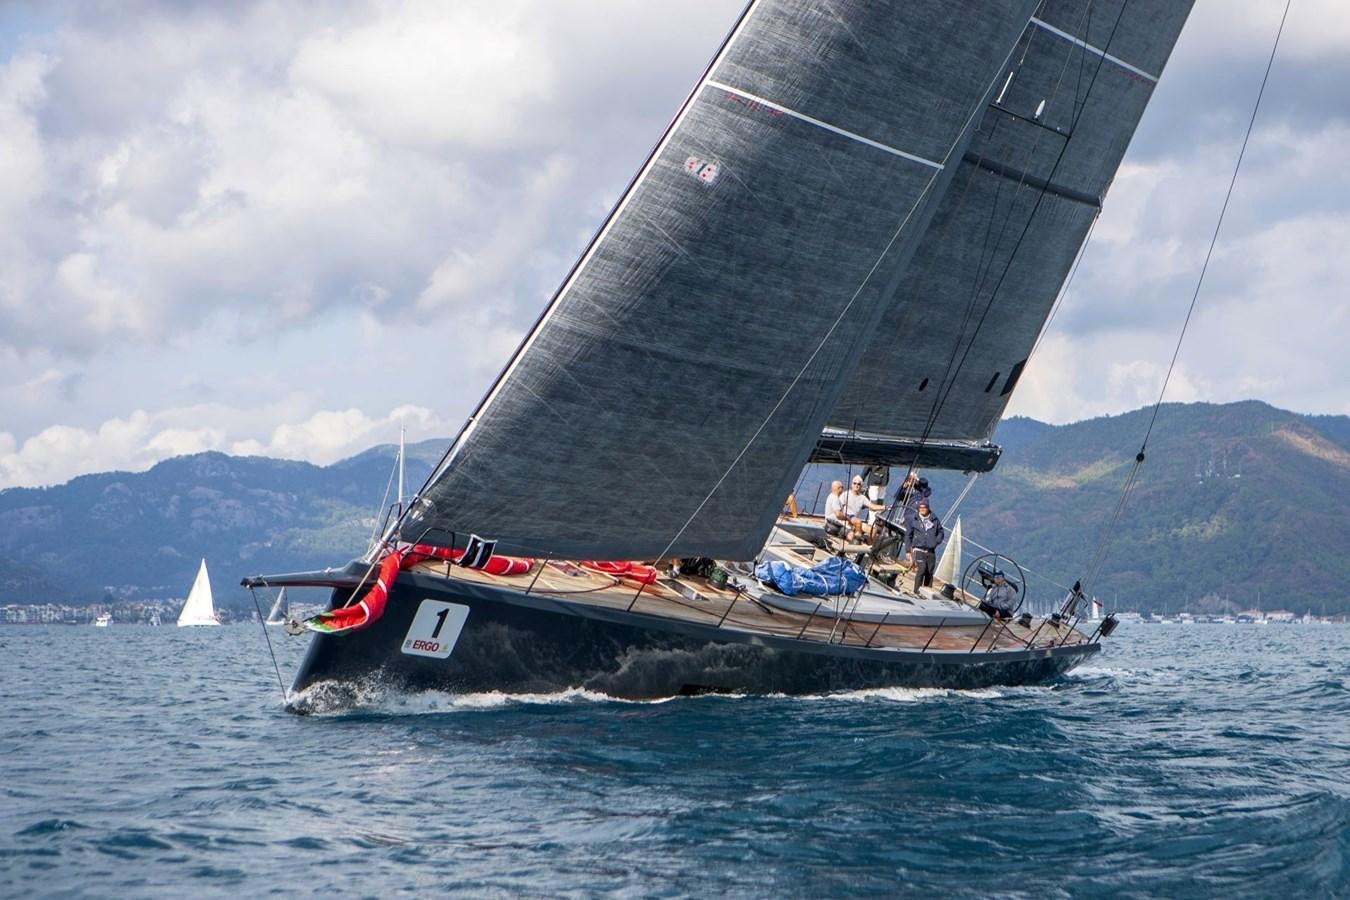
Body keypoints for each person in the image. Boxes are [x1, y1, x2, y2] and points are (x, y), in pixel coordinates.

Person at [825, 477, 883, 543]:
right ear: (852, 485)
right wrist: (846, 518)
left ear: (861, 486)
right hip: (846, 519)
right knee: (858, 522)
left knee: (873, 531)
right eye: (854, 483)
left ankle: (867, 548)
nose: (856, 485)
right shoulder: (845, 495)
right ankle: (855, 542)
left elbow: (872, 506)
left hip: (854, 519)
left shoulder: (862, 498)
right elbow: (838, 509)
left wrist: (884, 507)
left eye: (858, 484)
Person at [904, 498, 945, 592]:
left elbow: (941, 532)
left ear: (928, 508)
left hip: (930, 551)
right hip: (918, 549)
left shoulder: (934, 519)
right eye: (920, 507)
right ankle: (916, 591)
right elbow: (908, 535)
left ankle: (926, 593)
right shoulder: (913, 519)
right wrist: (907, 551)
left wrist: (936, 541)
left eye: (924, 507)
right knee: (921, 570)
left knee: (929, 573)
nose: (922, 509)